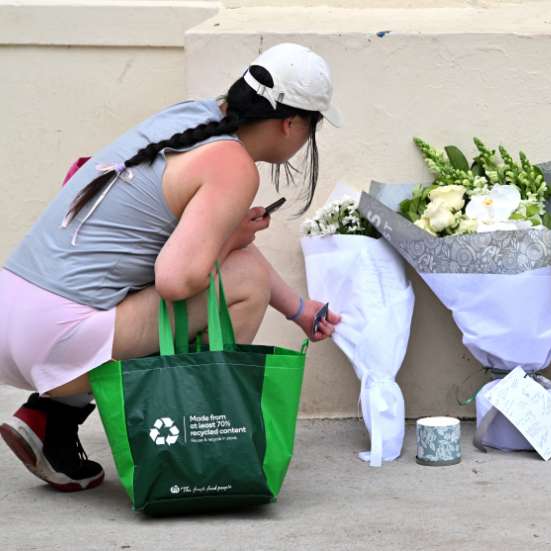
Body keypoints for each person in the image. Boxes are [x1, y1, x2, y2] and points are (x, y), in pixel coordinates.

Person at [0, 43, 341, 492]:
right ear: (291, 122)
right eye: (312, 128)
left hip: (16, 313)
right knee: (244, 282)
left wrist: (298, 309)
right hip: (55, 334)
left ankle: (50, 422)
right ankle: (185, 441)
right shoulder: (233, 165)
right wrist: (231, 239)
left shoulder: (191, 119)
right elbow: (178, 280)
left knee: (219, 265)